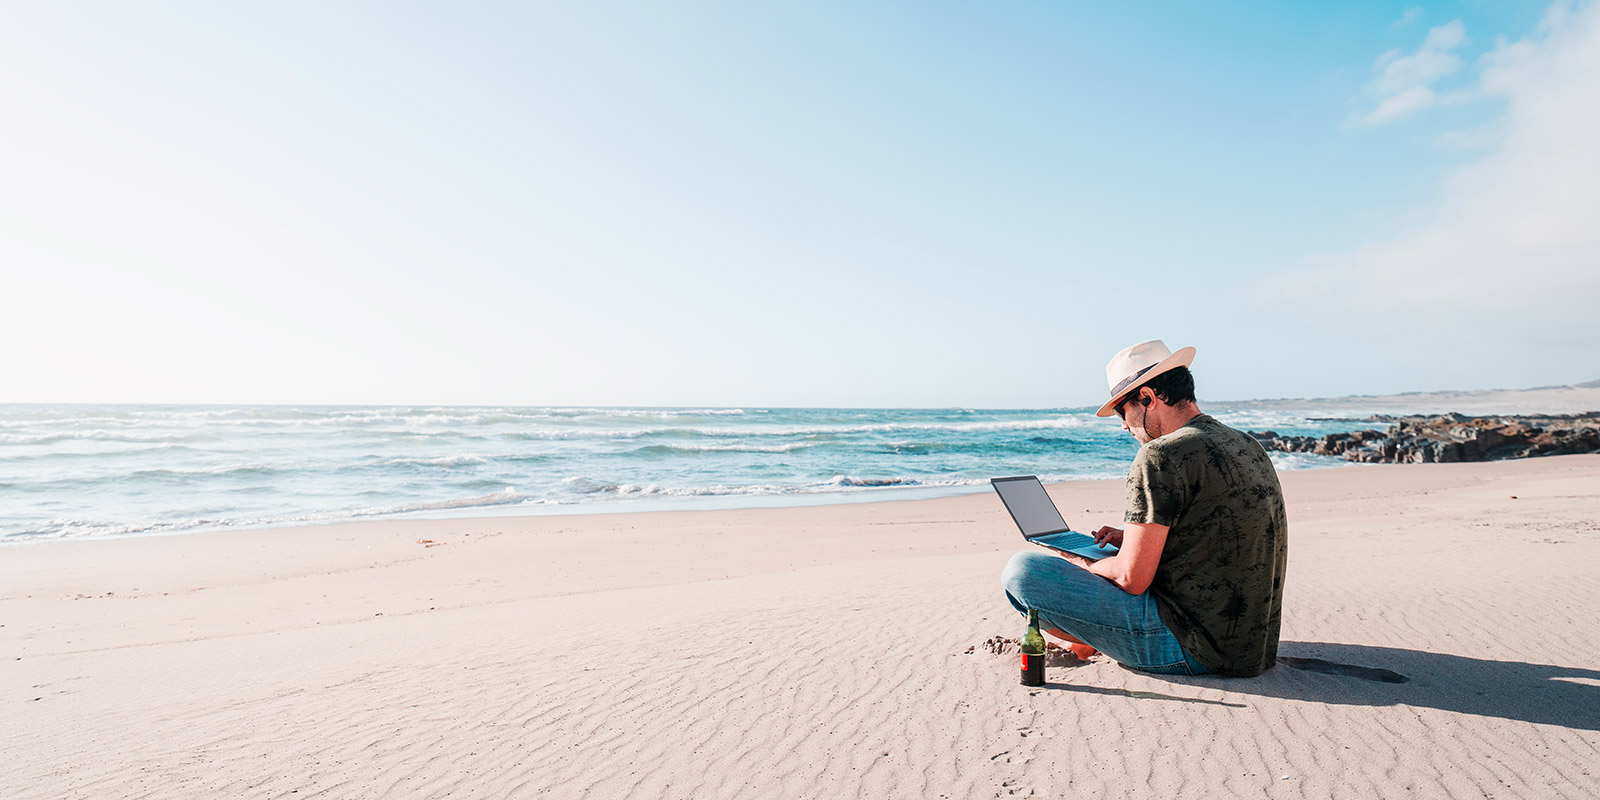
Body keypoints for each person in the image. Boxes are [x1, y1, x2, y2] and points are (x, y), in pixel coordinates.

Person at [1000, 340, 1288, 677]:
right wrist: (1132, 541)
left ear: (1148, 397)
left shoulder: (1160, 455)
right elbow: (1218, 531)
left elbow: (1131, 579)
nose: (1123, 424)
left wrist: (1085, 563)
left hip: (1192, 648)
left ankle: (1087, 638)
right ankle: (1086, 640)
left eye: (1123, 411)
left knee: (1022, 570)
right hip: (1252, 648)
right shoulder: (1245, 443)